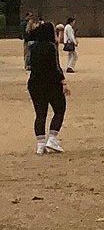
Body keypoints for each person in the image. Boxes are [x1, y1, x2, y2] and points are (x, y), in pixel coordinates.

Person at [27, 21, 69, 155]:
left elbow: (29, 65)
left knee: (40, 114)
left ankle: (40, 144)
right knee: (59, 108)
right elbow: (55, 67)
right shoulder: (51, 47)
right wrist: (63, 82)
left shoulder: (32, 47)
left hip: (34, 82)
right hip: (51, 82)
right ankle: (52, 138)